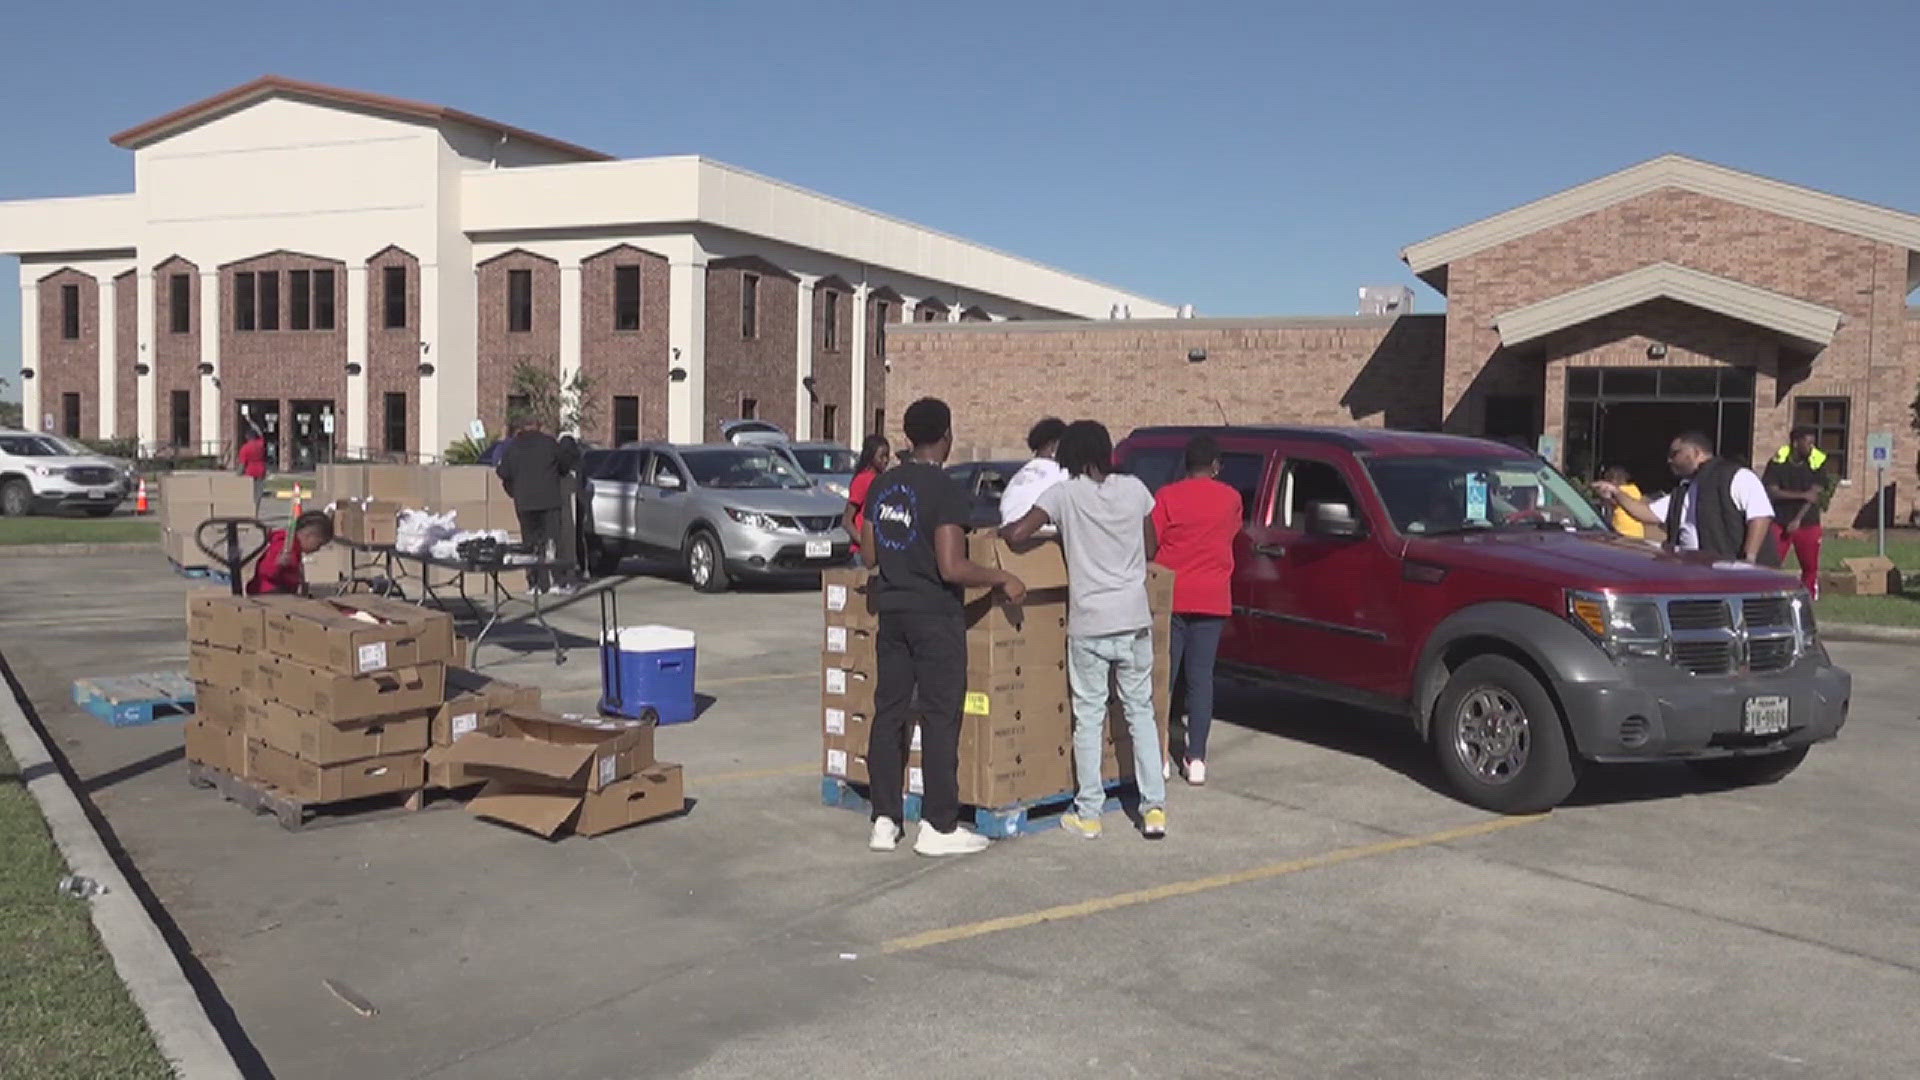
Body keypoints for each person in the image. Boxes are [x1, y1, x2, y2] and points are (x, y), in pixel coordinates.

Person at [861, 398, 1026, 857]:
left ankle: (884, 819)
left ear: (909, 437)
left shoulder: (885, 486)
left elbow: (870, 556)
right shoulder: (946, 491)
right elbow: (952, 567)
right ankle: (939, 825)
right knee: (939, 716)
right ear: (947, 437)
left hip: (891, 614)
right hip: (934, 616)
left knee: (889, 713)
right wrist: (1002, 577)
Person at [1003, 420, 1166, 840]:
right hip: (1133, 618)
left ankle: (1089, 812)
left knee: (1089, 716)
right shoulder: (1135, 489)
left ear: (1068, 457)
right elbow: (1151, 547)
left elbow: (1019, 533)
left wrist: (1003, 531)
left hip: (1090, 623)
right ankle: (1154, 809)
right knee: (1140, 712)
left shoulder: (1063, 495)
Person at [1149, 435, 1241, 786]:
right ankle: (1197, 757)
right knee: (1201, 679)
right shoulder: (1231, 498)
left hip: (1171, 596)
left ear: (1186, 464)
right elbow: (1230, 534)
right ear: (1215, 465)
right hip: (1213, 597)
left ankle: (1157, 756)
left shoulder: (1167, 496)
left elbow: (1152, 538)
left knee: (1164, 678)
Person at [1596, 431, 1778, 564]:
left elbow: (1759, 515)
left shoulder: (1736, 476)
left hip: (1733, 573)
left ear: (1696, 453)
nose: (1669, 460)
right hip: (1695, 572)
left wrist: (1749, 558)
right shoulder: (1685, 491)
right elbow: (1646, 513)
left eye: (1675, 454)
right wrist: (1616, 493)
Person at [496, 416, 579, 595]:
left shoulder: (513, 447)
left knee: (531, 545)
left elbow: (503, 472)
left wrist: (514, 490)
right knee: (553, 542)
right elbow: (564, 464)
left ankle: (535, 584)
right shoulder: (549, 444)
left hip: (525, 503)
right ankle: (559, 581)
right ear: (538, 426)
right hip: (549, 500)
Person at [1763, 426, 1832, 596]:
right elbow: (1772, 490)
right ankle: (1771, 595)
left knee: (1810, 566)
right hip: (1779, 521)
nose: (1811, 447)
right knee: (1772, 563)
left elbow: (1814, 495)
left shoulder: (1817, 461)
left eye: (1813, 443)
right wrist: (1801, 495)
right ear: (1795, 443)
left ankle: (1808, 595)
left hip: (1807, 522)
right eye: (1808, 443)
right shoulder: (1778, 462)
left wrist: (1797, 520)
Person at [997, 417, 1068, 526]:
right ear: (1055, 445)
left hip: (1008, 534)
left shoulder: (1020, 475)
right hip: (1042, 537)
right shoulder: (1061, 473)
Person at [246, 511, 334, 597]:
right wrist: (278, 564)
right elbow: (264, 570)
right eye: (319, 544)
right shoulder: (284, 544)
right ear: (309, 535)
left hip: (281, 592)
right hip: (268, 593)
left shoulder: (295, 549)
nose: (318, 549)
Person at [840, 433, 891, 553]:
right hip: (862, 551)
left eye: (887, 456)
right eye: (881, 456)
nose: (886, 460)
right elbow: (847, 521)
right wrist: (864, 543)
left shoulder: (883, 479)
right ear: (870, 456)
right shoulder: (862, 480)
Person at [1599, 465, 1645, 539]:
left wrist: (1606, 498)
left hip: (1623, 530)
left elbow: (1615, 503)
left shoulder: (1620, 491)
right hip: (1638, 531)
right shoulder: (1634, 489)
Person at [237, 426, 269, 512]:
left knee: (249, 495)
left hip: (250, 472)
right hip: (261, 471)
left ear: (247, 437)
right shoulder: (261, 444)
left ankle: (250, 511)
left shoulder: (245, 448)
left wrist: (238, 475)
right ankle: (256, 512)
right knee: (258, 495)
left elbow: (242, 464)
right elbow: (260, 433)